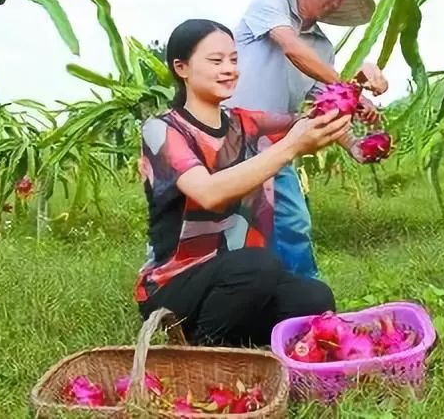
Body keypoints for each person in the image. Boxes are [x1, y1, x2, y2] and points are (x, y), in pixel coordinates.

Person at [134, 19, 354, 347]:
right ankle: (203, 350)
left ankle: (234, 338)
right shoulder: (162, 130)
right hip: (174, 285)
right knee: (258, 264)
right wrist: (290, 147)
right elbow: (207, 192)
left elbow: (316, 119)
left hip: (241, 279)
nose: (229, 69)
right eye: (216, 60)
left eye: (234, 60)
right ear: (181, 67)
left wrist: (357, 87)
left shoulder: (246, 122)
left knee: (313, 297)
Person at [226, 0, 388, 279]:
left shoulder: (323, 48)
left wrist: (354, 139)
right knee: (231, 226)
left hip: (277, 143)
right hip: (230, 133)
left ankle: (303, 304)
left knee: (292, 223)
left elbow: (326, 104)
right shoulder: (271, 2)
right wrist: (351, 86)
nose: (334, 2)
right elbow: (290, 47)